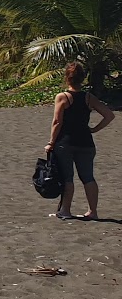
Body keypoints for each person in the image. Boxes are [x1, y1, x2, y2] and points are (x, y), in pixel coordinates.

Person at [46, 62, 114, 220]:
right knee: (88, 177)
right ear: (82, 78)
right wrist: (94, 129)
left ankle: (65, 211)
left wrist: (51, 142)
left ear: (67, 78)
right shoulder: (89, 97)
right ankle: (93, 212)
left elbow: (57, 122)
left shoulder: (63, 97)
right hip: (86, 142)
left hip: (66, 142)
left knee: (67, 177)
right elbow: (109, 115)